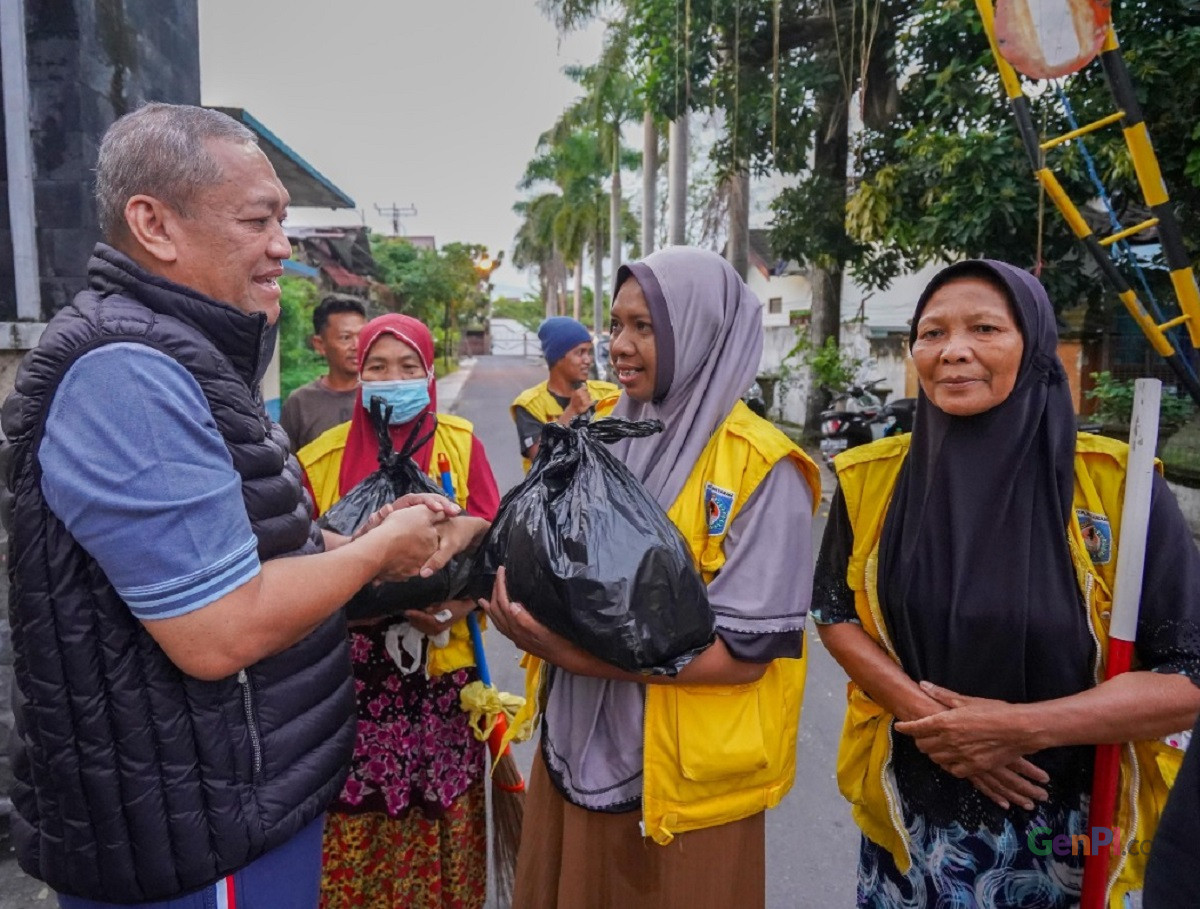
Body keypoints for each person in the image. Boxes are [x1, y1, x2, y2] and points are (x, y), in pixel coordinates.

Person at [0, 103, 481, 909]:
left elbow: (244, 545)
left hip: (229, 803)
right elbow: (217, 627)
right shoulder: (128, 373)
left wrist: (350, 539)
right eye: (259, 220)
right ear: (154, 224)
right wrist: (374, 555)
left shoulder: (188, 353)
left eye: (283, 220)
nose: (283, 247)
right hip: (194, 831)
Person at [811, 259, 1200, 908]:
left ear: (1036, 346)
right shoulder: (871, 480)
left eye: (985, 328)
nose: (954, 350)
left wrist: (1019, 729)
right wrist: (935, 720)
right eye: (931, 333)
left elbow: (1187, 677)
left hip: (1067, 837)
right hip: (912, 820)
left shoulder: (1116, 488)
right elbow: (834, 611)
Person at [483, 247, 821, 909]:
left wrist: (574, 654)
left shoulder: (763, 468)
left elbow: (743, 658)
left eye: (645, 326)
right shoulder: (604, 431)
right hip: (575, 743)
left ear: (700, 331)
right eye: (616, 325)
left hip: (684, 790)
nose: (620, 346)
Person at [296, 313, 500, 909]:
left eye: (408, 367)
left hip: (443, 675)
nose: (393, 379)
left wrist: (456, 602)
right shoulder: (319, 459)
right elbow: (299, 563)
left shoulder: (461, 443)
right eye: (377, 368)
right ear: (357, 375)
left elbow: (494, 543)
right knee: (354, 816)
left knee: (441, 807)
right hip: (347, 682)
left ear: (430, 372)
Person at [510, 315, 618, 470]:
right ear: (557, 357)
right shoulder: (530, 405)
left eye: (589, 352)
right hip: (553, 494)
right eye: (580, 353)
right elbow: (541, 461)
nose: (588, 360)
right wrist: (572, 411)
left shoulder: (606, 394)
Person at [280, 294, 368, 450]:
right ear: (320, 344)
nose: (357, 346)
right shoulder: (300, 403)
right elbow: (287, 465)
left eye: (362, 336)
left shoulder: (380, 395)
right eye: (345, 337)